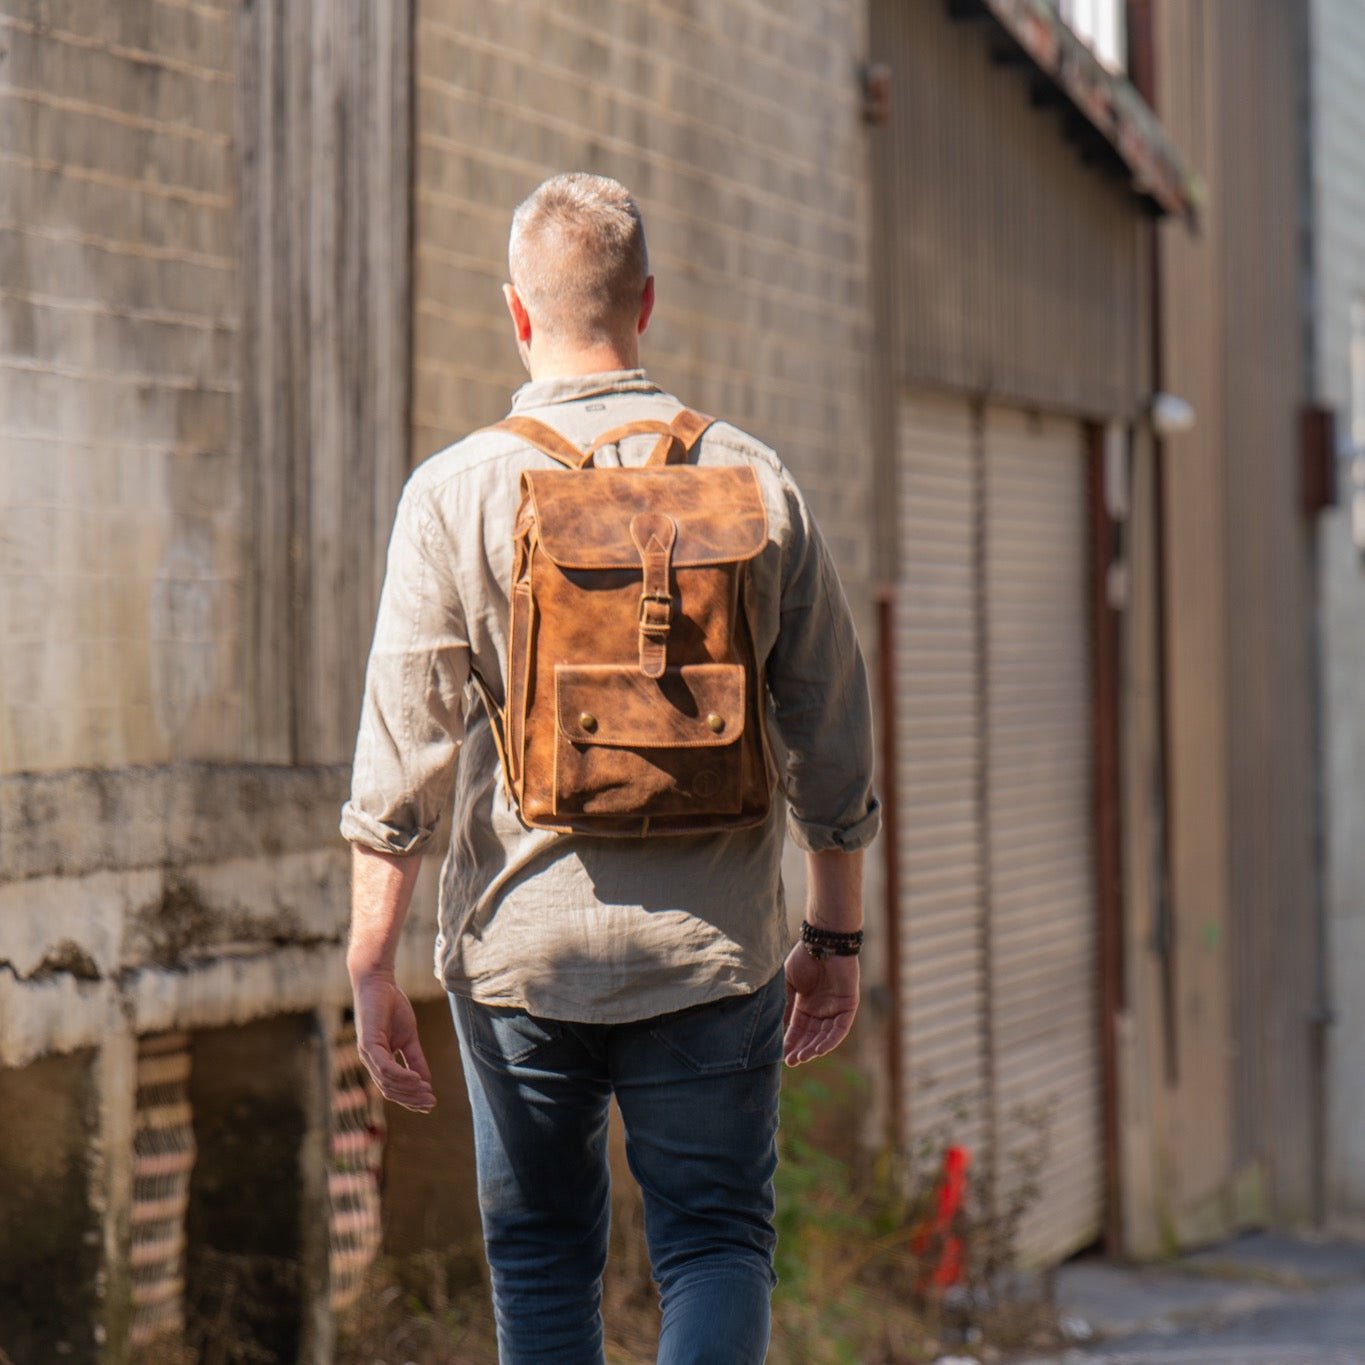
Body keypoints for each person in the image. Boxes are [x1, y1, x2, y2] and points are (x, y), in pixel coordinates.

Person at [342, 172, 879, 1364]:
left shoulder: (455, 492)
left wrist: (371, 957)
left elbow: (403, 750)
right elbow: (831, 735)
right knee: (716, 1244)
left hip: (520, 951)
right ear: (648, 301)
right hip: (714, 946)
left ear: (517, 314)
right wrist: (834, 942)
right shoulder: (753, 479)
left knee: (540, 1260)